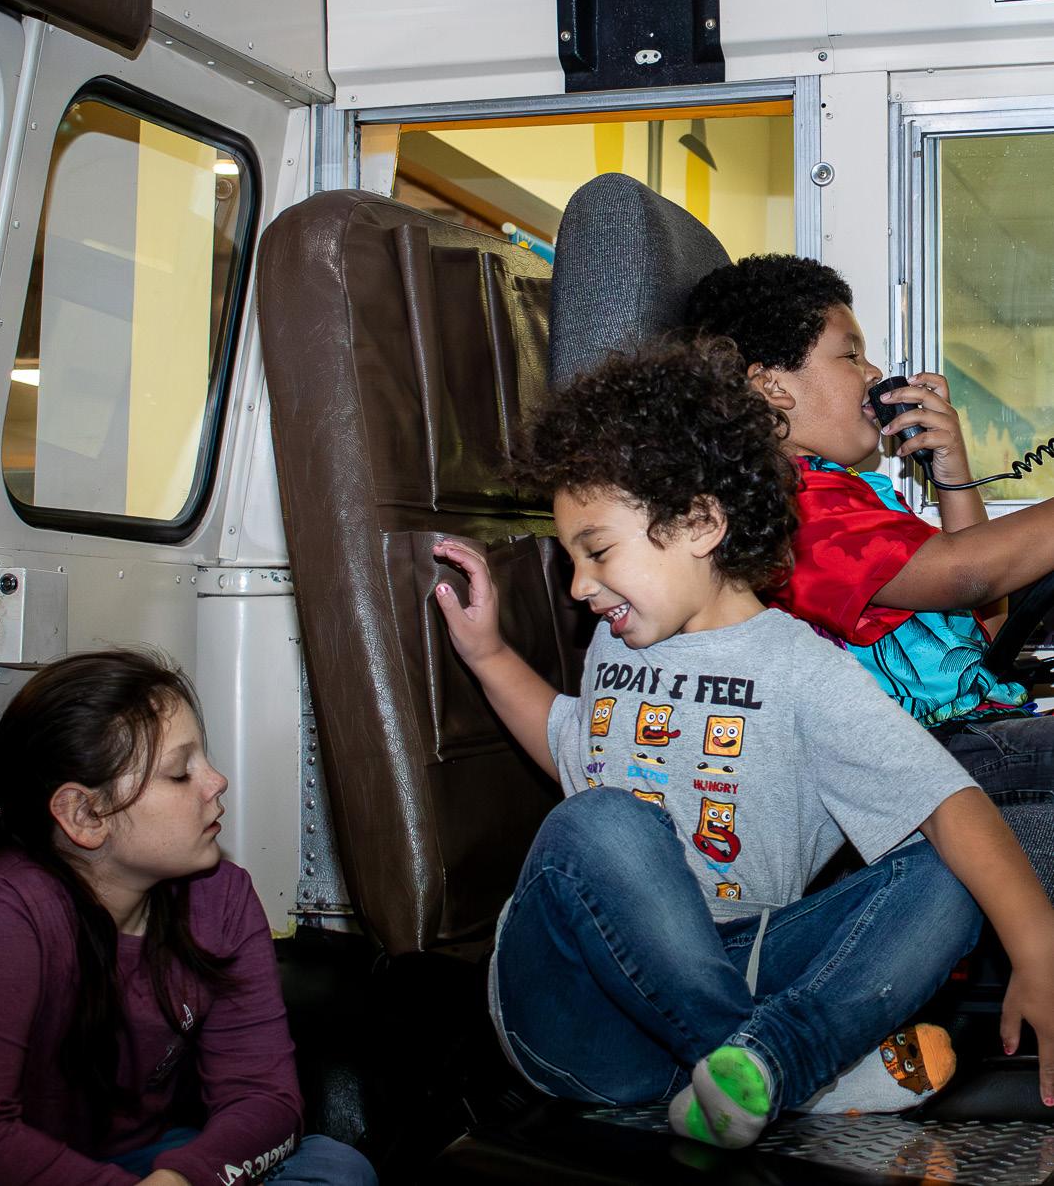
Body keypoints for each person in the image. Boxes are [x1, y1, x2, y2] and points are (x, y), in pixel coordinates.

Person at [431, 342, 1054, 1150]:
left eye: (598, 551)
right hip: (578, 1012)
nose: (580, 587)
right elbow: (570, 749)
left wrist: (1036, 944)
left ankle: (758, 1068)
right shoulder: (617, 644)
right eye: (573, 561)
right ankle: (797, 1067)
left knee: (949, 873)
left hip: (737, 968)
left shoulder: (804, 670)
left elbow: (948, 803)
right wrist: (487, 655)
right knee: (598, 822)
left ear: (700, 523)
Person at [0, 649, 376, 1186]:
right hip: (15, 1171)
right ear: (85, 815)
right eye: (180, 773)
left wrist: (184, 1177)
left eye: (204, 760)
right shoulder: (2, 919)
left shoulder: (221, 897)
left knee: (335, 1166)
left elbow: (263, 1096)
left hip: (150, 1164)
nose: (216, 781)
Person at [686, 254, 1054, 896]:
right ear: (771, 387)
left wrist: (952, 473)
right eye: (850, 355)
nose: (875, 372)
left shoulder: (853, 496)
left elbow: (981, 624)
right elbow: (966, 576)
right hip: (915, 760)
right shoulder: (788, 511)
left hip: (961, 734)